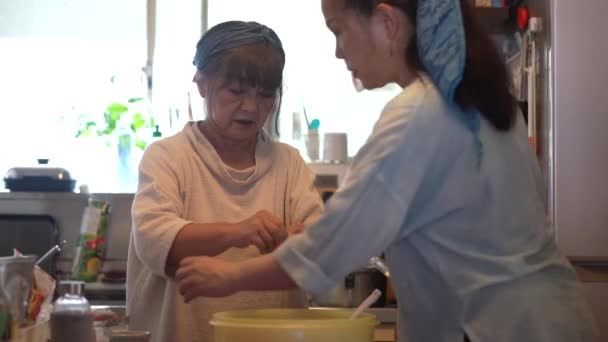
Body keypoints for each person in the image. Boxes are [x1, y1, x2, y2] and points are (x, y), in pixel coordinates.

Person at [173, 1, 600, 341]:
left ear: (386, 22)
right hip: (547, 318)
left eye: (338, 29)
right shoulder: (477, 99)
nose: (338, 50)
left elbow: (331, 245)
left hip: (495, 327)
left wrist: (227, 275)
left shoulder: (419, 114)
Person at [126, 20, 323, 342]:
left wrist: (303, 238)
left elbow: (319, 245)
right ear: (202, 83)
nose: (251, 107)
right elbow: (153, 240)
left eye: (265, 94)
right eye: (236, 91)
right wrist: (240, 231)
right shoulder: (167, 157)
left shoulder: (289, 163)